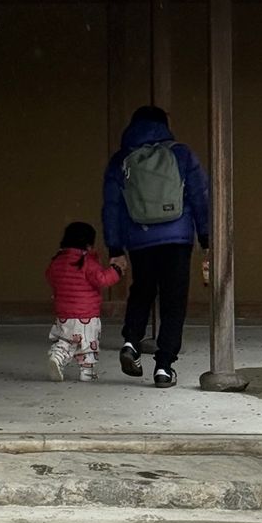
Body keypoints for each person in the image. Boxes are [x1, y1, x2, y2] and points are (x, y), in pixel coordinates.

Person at [102, 105, 210, 389]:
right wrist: (207, 237)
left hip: (140, 238)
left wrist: (115, 247)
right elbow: (201, 197)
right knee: (174, 302)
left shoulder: (121, 160)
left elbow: (111, 207)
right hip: (177, 239)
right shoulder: (181, 153)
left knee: (142, 291)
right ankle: (163, 367)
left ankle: (130, 341)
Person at [45, 221, 126, 382]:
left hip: (64, 314)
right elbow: (102, 279)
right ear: (89, 243)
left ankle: (58, 355)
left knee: (67, 340)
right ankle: (87, 372)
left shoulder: (58, 260)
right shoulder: (87, 261)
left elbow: (50, 276)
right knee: (88, 345)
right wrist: (116, 270)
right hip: (86, 315)